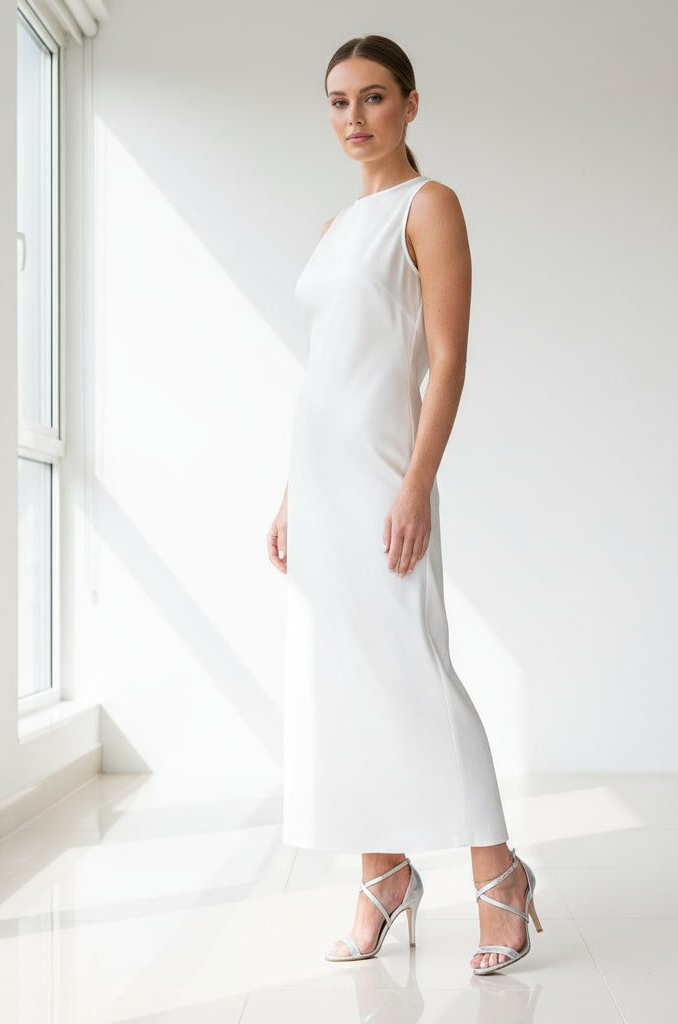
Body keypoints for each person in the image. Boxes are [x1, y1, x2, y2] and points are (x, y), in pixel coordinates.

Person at [267, 34, 542, 975]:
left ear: (412, 106)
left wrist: (417, 483)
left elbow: (448, 361)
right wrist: (289, 495)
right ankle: (381, 877)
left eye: (374, 98)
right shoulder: (334, 231)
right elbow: (325, 376)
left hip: (387, 474)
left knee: (415, 673)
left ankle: (499, 878)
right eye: (340, 101)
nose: (355, 118)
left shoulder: (430, 207)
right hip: (323, 480)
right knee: (339, 678)